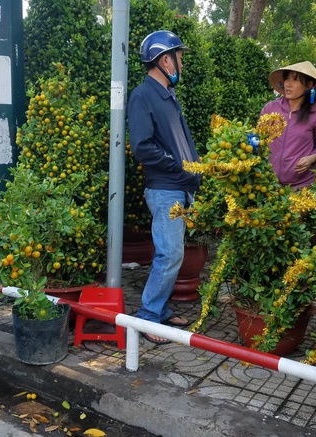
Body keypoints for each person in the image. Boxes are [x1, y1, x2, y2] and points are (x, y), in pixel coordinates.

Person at [127, 30, 201, 345]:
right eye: (179, 57)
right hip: (165, 188)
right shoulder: (144, 95)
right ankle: (147, 317)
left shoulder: (167, 95)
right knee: (169, 253)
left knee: (171, 253)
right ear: (165, 58)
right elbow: (143, 148)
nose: (182, 63)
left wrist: (194, 170)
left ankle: (160, 310)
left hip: (179, 186)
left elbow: (178, 143)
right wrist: (180, 167)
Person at [261, 61, 316, 188]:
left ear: (309, 85)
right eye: (287, 78)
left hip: (302, 187)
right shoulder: (270, 109)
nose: (288, 84)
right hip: (269, 184)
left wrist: (311, 158)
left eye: (295, 80)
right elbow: (259, 140)